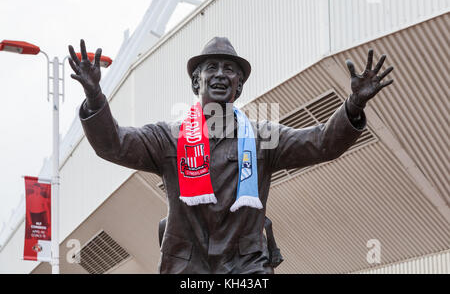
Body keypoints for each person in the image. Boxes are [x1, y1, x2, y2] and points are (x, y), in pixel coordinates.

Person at [68, 37, 394, 273]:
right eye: (212, 67)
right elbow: (114, 145)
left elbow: (323, 143)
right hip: (187, 269)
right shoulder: (168, 137)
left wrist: (354, 105)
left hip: (246, 267)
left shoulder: (264, 137)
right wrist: (96, 98)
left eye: (230, 69)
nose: (221, 73)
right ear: (197, 81)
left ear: (239, 86)